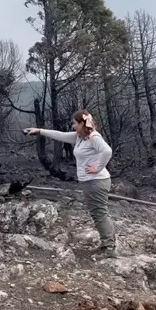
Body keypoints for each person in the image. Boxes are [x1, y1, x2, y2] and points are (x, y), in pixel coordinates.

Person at [24, 109, 117, 259]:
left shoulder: (93, 137)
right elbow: (60, 135)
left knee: (99, 214)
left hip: (97, 181)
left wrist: (97, 167)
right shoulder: (80, 137)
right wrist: (40, 131)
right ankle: (107, 244)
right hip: (90, 182)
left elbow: (107, 151)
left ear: (82, 123)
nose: (73, 126)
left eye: (75, 123)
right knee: (98, 213)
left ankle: (109, 248)